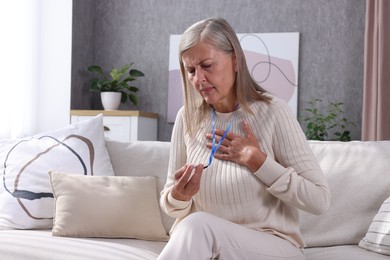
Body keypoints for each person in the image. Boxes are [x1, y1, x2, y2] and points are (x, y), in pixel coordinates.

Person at [158, 17, 331, 260]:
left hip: (274, 246)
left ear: (235, 61)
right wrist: (180, 195)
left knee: (198, 226)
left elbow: (320, 200)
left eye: (207, 65)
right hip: (209, 248)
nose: (199, 79)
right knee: (196, 226)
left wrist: (259, 161)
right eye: (191, 71)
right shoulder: (187, 119)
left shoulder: (273, 112)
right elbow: (170, 204)